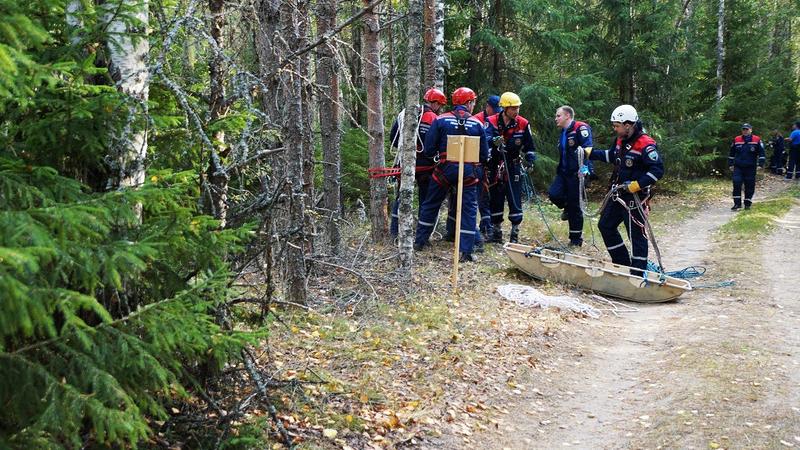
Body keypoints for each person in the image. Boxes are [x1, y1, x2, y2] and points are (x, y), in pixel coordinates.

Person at [586, 105, 664, 276]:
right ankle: (622, 265)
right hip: (618, 195)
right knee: (605, 226)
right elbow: (613, 156)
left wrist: (637, 184)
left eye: (617, 126)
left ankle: (637, 274)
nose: (615, 129)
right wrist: (591, 153)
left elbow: (657, 170)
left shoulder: (646, 144)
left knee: (636, 235)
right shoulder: (621, 140)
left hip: (635, 198)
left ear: (628, 125)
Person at [414, 87, 489, 262]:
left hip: (444, 169)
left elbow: (429, 149)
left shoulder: (440, 120)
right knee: (469, 209)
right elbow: (484, 155)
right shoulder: (477, 124)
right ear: (468, 103)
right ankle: (466, 251)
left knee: (431, 203)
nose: (473, 105)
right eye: (473, 102)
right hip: (468, 171)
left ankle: (420, 241)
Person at [388, 88, 446, 235]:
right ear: (436, 103)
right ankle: (422, 235)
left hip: (405, 162)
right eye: (440, 105)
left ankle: (395, 232)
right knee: (425, 200)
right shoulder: (433, 118)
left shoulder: (406, 114)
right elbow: (435, 144)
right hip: (426, 166)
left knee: (402, 197)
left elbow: (393, 137)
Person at [446, 95, 501, 244]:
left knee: (483, 198)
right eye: (494, 110)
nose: (496, 113)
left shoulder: (495, 120)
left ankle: (486, 227)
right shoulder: (476, 120)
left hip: (483, 165)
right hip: (472, 166)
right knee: (466, 201)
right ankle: (459, 233)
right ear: (487, 107)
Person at [485, 92, 537, 244]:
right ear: (505, 108)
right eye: (513, 108)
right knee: (495, 198)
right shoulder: (491, 121)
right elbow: (484, 139)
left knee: (514, 198)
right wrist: (493, 141)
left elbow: (530, 146)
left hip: (513, 165)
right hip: (495, 165)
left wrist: (530, 160)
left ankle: (515, 233)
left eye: (518, 108)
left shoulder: (523, 123)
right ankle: (496, 232)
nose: (516, 111)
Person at [548, 105, 593, 247]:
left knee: (575, 207)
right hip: (563, 173)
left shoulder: (580, 128)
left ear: (567, 116)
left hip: (577, 174)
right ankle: (566, 206)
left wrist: (585, 170)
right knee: (554, 194)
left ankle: (575, 240)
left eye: (558, 115)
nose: (556, 118)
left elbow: (588, 149)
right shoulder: (563, 132)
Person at [728, 123, 765, 210]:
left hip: (750, 167)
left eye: (747, 129)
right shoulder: (737, 139)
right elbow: (731, 153)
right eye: (743, 129)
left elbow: (762, 153)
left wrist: (760, 164)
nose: (745, 131)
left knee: (749, 185)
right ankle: (737, 204)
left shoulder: (757, 139)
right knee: (736, 183)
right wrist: (730, 164)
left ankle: (747, 203)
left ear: (751, 130)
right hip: (738, 167)